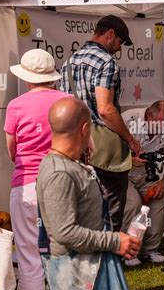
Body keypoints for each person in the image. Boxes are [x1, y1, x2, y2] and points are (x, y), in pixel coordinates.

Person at [36, 97, 141, 290]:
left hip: (84, 274)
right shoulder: (60, 172)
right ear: (85, 129)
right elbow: (65, 232)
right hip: (80, 278)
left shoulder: (67, 166)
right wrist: (114, 241)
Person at [4, 49, 68, 290]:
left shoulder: (16, 106)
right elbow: (85, 145)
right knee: (64, 256)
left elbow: (12, 151)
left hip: (26, 183)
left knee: (29, 260)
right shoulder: (68, 103)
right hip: (60, 184)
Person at [60, 15, 140, 233]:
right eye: (120, 42)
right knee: (111, 208)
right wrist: (130, 139)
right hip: (103, 150)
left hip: (74, 145)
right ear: (110, 35)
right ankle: (107, 260)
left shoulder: (70, 61)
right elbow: (105, 109)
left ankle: (88, 258)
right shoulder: (106, 62)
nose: (119, 49)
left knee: (82, 207)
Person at [121, 100, 164, 265]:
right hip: (122, 170)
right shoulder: (128, 120)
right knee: (133, 203)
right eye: (161, 122)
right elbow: (107, 149)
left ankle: (150, 249)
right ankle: (129, 251)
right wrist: (129, 160)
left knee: (161, 198)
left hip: (146, 171)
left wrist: (163, 181)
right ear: (149, 115)